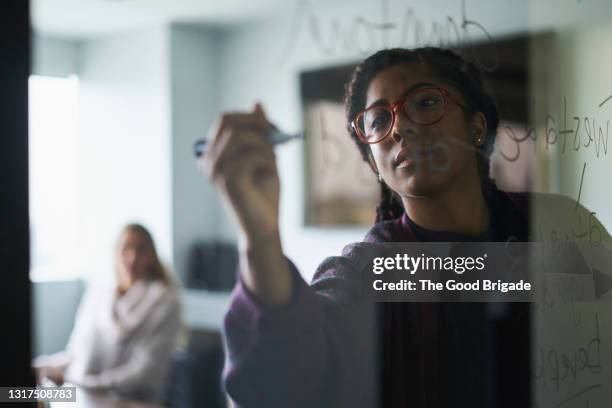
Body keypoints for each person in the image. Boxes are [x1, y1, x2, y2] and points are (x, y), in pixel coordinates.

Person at [200, 48, 610, 407]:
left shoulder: (558, 224)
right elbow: (287, 383)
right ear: (374, 161)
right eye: (378, 120)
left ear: (476, 126)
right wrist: (260, 239)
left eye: (426, 103)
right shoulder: (370, 271)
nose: (399, 127)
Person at [33, 223, 182, 404]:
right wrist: (44, 366)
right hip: (81, 395)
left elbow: (144, 375)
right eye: (126, 248)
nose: (132, 258)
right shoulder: (99, 294)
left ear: (152, 256)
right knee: (11, 394)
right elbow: (76, 355)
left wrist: (74, 380)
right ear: (115, 253)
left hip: (130, 401)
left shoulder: (165, 302)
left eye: (141, 250)